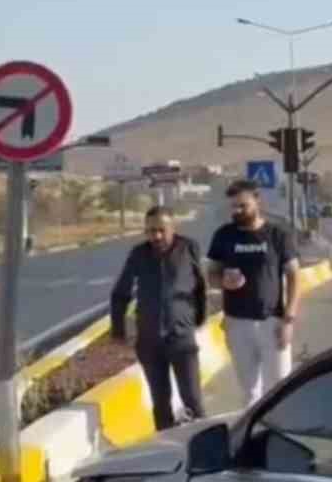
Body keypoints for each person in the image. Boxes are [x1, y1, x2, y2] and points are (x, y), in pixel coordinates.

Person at [110, 205, 207, 431]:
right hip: (149, 342)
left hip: (181, 339)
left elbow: (200, 287)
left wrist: (197, 319)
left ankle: (204, 445)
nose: (156, 236)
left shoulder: (188, 248)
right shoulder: (138, 254)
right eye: (151, 231)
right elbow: (120, 293)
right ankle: (166, 449)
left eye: (161, 230)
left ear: (173, 228)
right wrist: (118, 331)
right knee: (160, 403)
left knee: (192, 400)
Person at [207, 179, 301, 406]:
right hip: (237, 324)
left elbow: (294, 277)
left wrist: (288, 320)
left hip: (273, 322)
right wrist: (223, 283)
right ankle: (251, 438)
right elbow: (211, 275)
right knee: (249, 392)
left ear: (257, 201)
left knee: (280, 389)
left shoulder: (278, 235)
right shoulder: (224, 235)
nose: (237, 211)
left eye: (243, 205)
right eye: (234, 207)